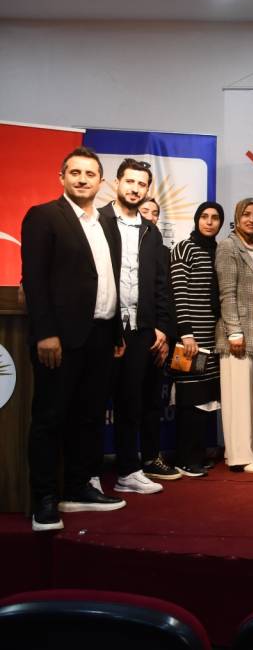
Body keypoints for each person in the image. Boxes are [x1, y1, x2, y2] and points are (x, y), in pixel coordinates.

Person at [21, 147, 127, 531]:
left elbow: (109, 279)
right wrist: (46, 332)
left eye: (90, 174)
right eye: (75, 172)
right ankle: (44, 501)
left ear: (101, 182)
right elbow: (34, 280)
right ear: (62, 177)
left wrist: (115, 332)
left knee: (89, 417)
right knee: (50, 418)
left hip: (101, 335)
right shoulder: (44, 216)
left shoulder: (106, 224)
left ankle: (79, 488)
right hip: (61, 339)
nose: (82, 179)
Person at [99, 159, 173, 495]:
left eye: (141, 184)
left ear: (147, 189)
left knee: (131, 404)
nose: (134, 188)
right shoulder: (97, 221)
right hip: (102, 326)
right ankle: (86, 475)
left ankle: (129, 470)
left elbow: (161, 284)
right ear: (116, 183)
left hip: (140, 330)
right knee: (91, 405)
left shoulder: (151, 232)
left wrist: (161, 327)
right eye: (129, 181)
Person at [216, 198, 253, 474]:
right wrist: (234, 331)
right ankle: (239, 455)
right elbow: (227, 292)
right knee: (237, 398)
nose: (252, 219)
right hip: (238, 335)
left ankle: (251, 451)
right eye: (246, 214)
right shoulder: (228, 246)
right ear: (237, 218)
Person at [170, 202, 224, 478]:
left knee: (206, 399)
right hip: (191, 340)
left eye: (215, 218)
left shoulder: (219, 251)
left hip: (213, 338)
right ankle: (184, 458)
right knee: (190, 399)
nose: (209, 222)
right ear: (196, 219)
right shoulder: (184, 248)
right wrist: (186, 333)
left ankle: (197, 455)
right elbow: (178, 293)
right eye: (204, 216)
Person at [136, 197, 181, 481]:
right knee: (125, 402)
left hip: (157, 338)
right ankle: (125, 463)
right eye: (145, 211)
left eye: (155, 213)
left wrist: (164, 334)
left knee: (152, 400)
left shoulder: (164, 251)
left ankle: (152, 457)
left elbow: (167, 295)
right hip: (124, 336)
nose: (150, 216)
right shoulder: (114, 242)